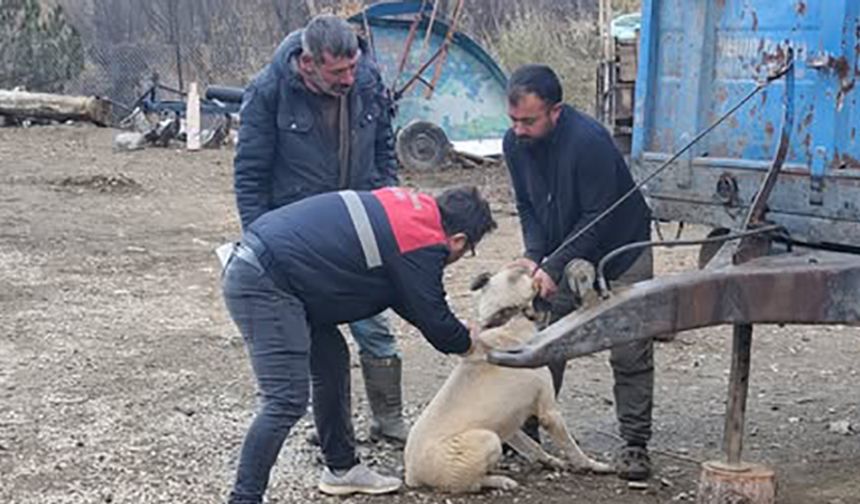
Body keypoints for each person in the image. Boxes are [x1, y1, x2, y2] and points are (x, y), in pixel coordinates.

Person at [222, 186, 497, 502]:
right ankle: (244, 498)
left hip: (282, 277)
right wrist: (467, 343)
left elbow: (406, 296)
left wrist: (449, 328)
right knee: (285, 399)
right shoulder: (424, 239)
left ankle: (341, 469)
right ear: (459, 240)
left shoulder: (411, 208)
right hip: (267, 284)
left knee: (332, 362)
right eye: (467, 251)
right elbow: (432, 315)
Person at [233, 14, 409, 442]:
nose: (349, 77)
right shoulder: (268, 91)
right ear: (308, 62)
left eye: (352, 67)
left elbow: (385, 148)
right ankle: (333, 428)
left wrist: (389, 204)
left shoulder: (366, 79)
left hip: (362, 225)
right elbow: (251, 174)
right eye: (338, 71)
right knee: (316, 335)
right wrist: (263, 246)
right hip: (301, 238)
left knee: (375, 324)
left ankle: (389, 420)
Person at [502, 64, 655, 481]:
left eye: (529, 120)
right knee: (547, 341)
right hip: (561, 250)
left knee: (630, 347)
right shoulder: (514, 144)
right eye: (513, 119)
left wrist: (551, 264)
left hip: (622, 246)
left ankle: (635, 445)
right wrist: (535, 255)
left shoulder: (589, 142)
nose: (519, 129)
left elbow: (597, 219)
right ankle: (526, 429)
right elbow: (527, 207)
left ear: (556, 111)